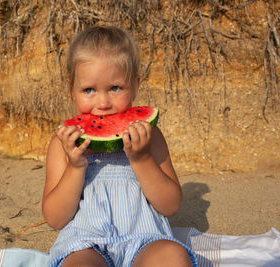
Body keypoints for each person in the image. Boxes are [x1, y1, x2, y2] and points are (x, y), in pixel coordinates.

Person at [42, 25, 197, 267]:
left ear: (135, 85)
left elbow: (170, 205)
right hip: (85, 243)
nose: (103, 103)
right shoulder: (63, 144)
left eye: (115, 88)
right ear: (71, 89)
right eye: (89, 90)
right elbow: (55, 218)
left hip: (145, 239)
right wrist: (75, 167)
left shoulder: (151, 137)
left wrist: (141, 159)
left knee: (174, 257)